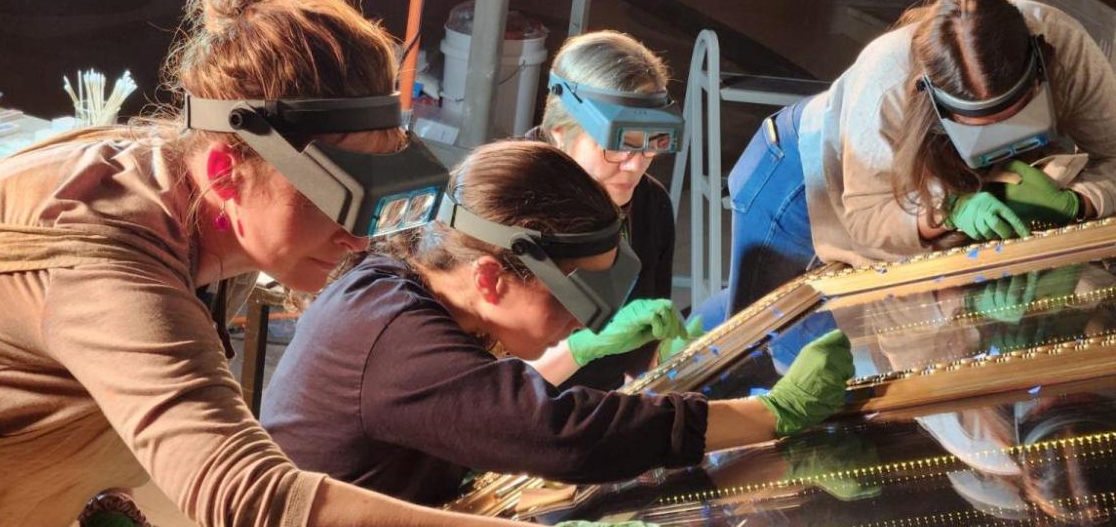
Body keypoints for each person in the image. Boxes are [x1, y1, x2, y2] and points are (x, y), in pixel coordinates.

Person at [0, 0, 547, 527]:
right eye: (332, 201)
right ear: (223, 171)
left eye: (372, 203)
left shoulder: (208, 206)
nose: (357, 239)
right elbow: (244, 495)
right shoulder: (107, 253)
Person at [260, 140, 855, 507]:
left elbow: (478, 399)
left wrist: (573, 348)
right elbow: (560, 434)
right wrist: (771, 415)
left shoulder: (399, 285)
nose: (581, 321)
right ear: (491, 278)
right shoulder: (394, 342)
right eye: (571, 299)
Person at [693, 0, 1116, 330]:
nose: (1005, 145)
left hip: (894, 177)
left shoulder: (1066, 48)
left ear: (1039, 68)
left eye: (1016, 119)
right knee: (767, 337)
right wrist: (947, 211)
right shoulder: (886, 83)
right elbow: (865, 215)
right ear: (932, 102)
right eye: (982, 128)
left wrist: (1081, 203)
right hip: (800, 181)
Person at [520, 31, 692, 390]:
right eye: (617, 146)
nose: (634, 166)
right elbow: (483, 388)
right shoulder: (505, 204)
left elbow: (645, 355)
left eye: (650, 146)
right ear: (558, 132)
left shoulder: (650, 204)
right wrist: (583, 346)